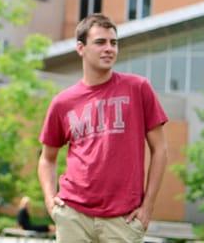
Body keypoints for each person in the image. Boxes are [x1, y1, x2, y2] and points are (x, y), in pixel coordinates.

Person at [37, 14, 168, 243]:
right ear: (81, 48)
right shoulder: (63, 102)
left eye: (113, 42)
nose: (109, 48)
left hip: (123, 219)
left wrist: (147, 207)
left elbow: (160, 150)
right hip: (73, 215)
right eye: (100, 42)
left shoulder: (138, 88)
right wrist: (51, 202)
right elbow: (47, 158)